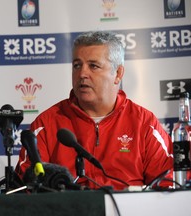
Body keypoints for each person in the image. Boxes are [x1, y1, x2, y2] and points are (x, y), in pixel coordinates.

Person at [16, 31, 174, 191]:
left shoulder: (145, 124)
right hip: (65, 214)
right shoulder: (46, 123)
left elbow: (168, 186)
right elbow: (26, 188)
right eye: (77, 65)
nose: (82, 74)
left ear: (118, 74)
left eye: (93, 66)